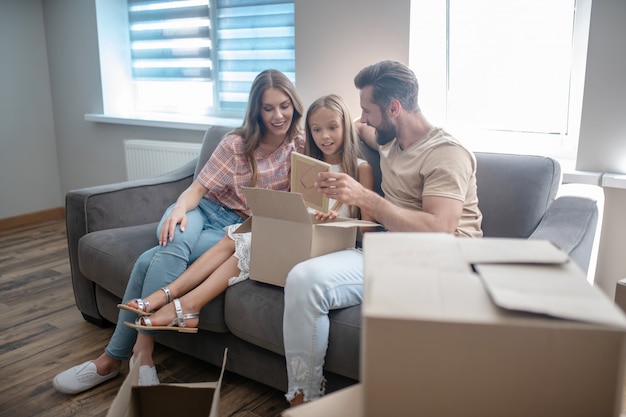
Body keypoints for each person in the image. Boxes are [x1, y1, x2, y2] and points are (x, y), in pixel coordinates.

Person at [52, 69, 305, 394]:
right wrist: (180, 209)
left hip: (235, 229)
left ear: (294, 105)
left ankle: (118, 358)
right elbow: (197, 189)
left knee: (147, 262)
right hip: (202, 211)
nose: (277, 115)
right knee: (174, 240)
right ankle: (139, 357)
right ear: (256, 109)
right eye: (268, 107)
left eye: (284, 105)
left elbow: (340, 130)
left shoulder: (300, 146)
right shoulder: (236, 144)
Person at [283, 60, 483, 407]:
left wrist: (364, 199)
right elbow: (353, 128)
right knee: (302, 278)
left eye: (368, 110)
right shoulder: (389, 138)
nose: (364, 119)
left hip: (442, 261)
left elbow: (440, 229)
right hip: (388, 251)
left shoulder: (446, 154)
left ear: (394, 108)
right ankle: (304, 398)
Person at [120, 93, 375, 338]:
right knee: (238, 237)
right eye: (316, 130)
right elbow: (299, 209)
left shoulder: (361, 169)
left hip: (328, 246)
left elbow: (366, 233)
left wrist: (344, 211)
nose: (325, 136)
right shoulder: (305, 161)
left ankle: (179, 302)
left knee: (251, 240)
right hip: (299, 235)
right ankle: (172, 297)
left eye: (332, 127)